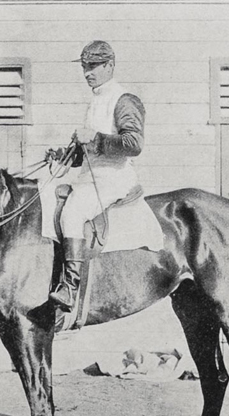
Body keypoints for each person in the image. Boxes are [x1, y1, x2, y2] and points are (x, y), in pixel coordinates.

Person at [47, 40, 146, 312]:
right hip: (91, 178)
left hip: (113, 179)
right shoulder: (95, 100)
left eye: (94, 66)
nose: (88, 72)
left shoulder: (123, 99)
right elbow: (88, 151)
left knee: (72, 214)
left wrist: (97, 138)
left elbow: (134, 143)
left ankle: (70, 287)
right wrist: (61, 155)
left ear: (110, 65)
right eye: (84, 67)